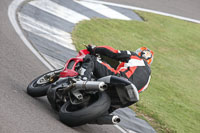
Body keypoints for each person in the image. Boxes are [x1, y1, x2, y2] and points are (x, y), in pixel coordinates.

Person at [80, 45, 154, 109]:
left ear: (138, 52)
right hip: (129, 97)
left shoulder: (135, 56)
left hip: (119, 80)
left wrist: (95, 49)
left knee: (91, 58)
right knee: (112, 107)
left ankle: (83, 80)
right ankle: (106, 113)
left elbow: (114, 53)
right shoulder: (149, 77)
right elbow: (140, 90)